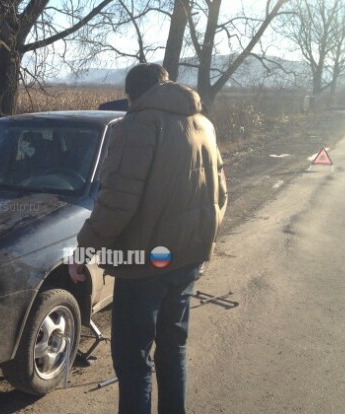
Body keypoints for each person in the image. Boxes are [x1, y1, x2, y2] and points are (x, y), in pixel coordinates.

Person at [69, 63, 227, 414]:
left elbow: (116, 202)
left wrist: (83, 251)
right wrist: (203, 239)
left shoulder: (138, 125)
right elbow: (220, 193)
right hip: (186, 259)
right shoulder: (203, 125)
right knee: (173, 349)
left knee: (134, 359)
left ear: (132, 94)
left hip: (144, 266)